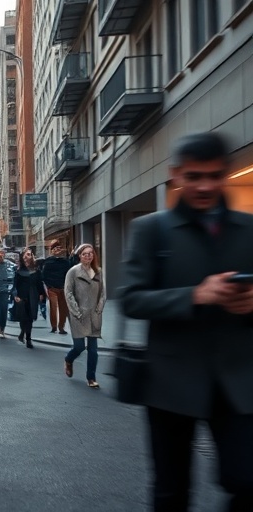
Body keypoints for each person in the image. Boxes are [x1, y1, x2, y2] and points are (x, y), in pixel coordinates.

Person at [121, 132, 253, 511]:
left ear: (225, 174)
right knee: (171, 491)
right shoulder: (151, 230)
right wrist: (194, 295)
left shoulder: (248, 228)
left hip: (240, 382)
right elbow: (131, 299)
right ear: (176, 175)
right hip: (170, 385)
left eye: (214, 175)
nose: (205, 186)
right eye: (194, 176)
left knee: (246, 480)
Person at [63, 243, 105, 389]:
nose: (88, 256)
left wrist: (99, 309)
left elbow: (103, 293)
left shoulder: (98, 271)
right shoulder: (73, 272)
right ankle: (69, 359)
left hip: (94, 315)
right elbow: (68, 293)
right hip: (78, 315)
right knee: (79, 347)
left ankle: (91, 377)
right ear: (79, 256)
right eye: (84, 254)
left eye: (90, 253)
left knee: (93, 349)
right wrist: (76, 312)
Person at [12, 248, 46, 349]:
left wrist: (41, 294)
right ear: (22, 257)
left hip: (33, 296)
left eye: (29, 255)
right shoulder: (18, 271)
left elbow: (39, 283)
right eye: (25, 255)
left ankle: (28, 339)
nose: (27, 257)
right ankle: (22, 332)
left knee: (30, 318)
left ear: (32, 257)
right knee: (23, 318)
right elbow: (14, 285)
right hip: (22, 297)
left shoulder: (36, 270)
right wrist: (15, 295)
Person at [42, 241, 72, 334]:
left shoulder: (66, 262)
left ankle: (61, 327)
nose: (57, 250)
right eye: (55, 249)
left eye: (58, 248)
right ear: (52, 251)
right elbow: (44, 275)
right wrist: (48, 286)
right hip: (52, 288)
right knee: (53, 307)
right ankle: (54, 326)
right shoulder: (48, 261)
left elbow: (69, 273)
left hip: (63, 288)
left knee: (63, 309)